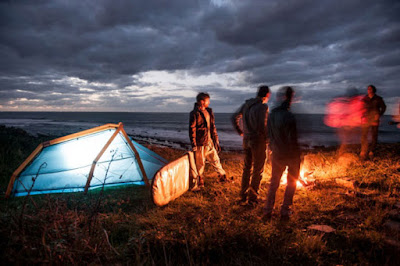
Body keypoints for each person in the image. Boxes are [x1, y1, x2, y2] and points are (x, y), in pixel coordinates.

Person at [263, 86, 300, 221]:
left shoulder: (272, 115)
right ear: (289, 99)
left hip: (277, 153)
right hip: (290, 155)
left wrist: (272, 148)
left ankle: (267, 211)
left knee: (274, 183)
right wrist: (296, 154)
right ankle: (285, 211)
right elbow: (292, 139)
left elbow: (269, 135)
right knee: (291, 183)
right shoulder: (289, 116)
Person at [232, 85, 270, 205]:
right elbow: (262, 125)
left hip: (246, 139)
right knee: (258, 169)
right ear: (267, 95)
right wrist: (268, 139)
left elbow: (234, 117)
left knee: (247, 168)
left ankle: (243, 195)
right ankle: (253, 198)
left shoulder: (247, 105)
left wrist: (240, 131)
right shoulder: (263, 107)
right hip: (257, 140)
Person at [189, 92, 227, 188]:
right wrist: (193, 144)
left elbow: (212, 127)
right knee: (200, 163)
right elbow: (192, 129)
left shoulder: (209, 111)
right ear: (202, 102)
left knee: (215, 159)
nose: (209, 103)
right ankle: (199, 181)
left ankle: (222, 176)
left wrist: (216, 140)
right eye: (207, 101)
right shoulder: (194, 113)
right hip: (200, 143)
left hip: (209, 141)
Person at [360, 85, 386, 160]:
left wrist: (379, 114)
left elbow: (384, 107)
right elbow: (361, 108)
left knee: (374, 135)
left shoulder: (378, 98)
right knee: (364, 135)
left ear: (373, 90)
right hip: (366, 119)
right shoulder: (364, 99)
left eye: (370, 89)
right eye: (368, 89)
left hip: (374, 119)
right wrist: (362, 115)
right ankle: (363, 150)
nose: (368, 90)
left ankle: (372, 150)